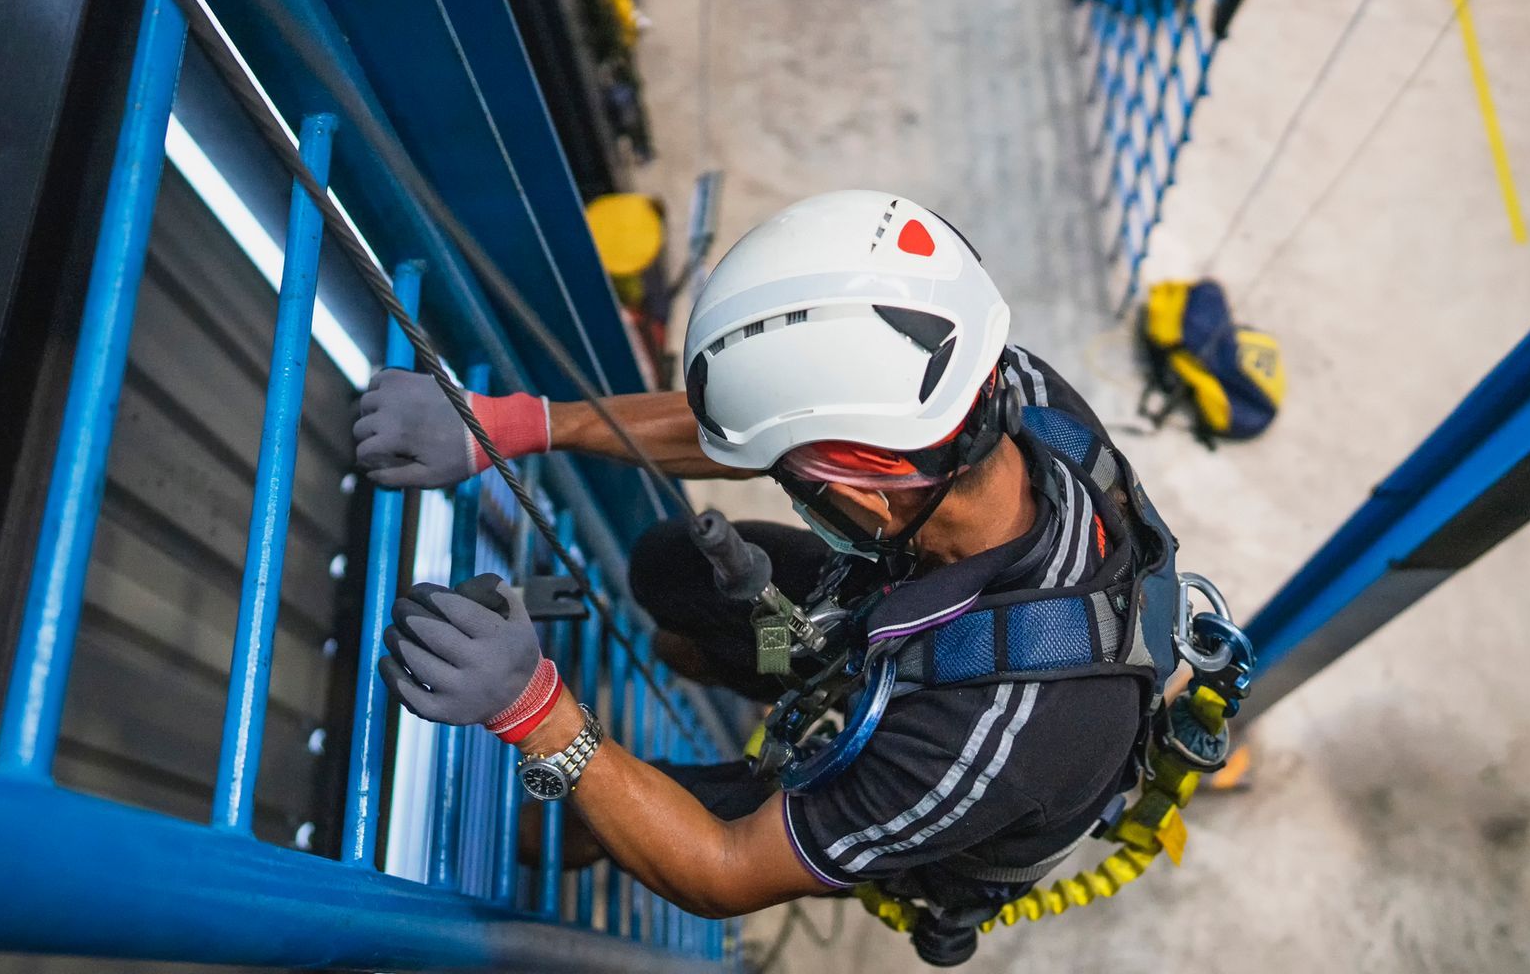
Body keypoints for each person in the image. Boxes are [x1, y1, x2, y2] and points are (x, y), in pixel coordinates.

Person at [355, 191, 1166, 962]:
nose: (777, 482)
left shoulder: (996, 739)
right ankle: (739, 671)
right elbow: (746, 425)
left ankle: (559, 836)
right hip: (892, 615)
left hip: (936, 739)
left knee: (585, 826)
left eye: (790, 476)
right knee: (672, 573)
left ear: (859, 487)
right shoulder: (983, 388)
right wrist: (519, 425)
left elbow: (726, 870)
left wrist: (536, 713)